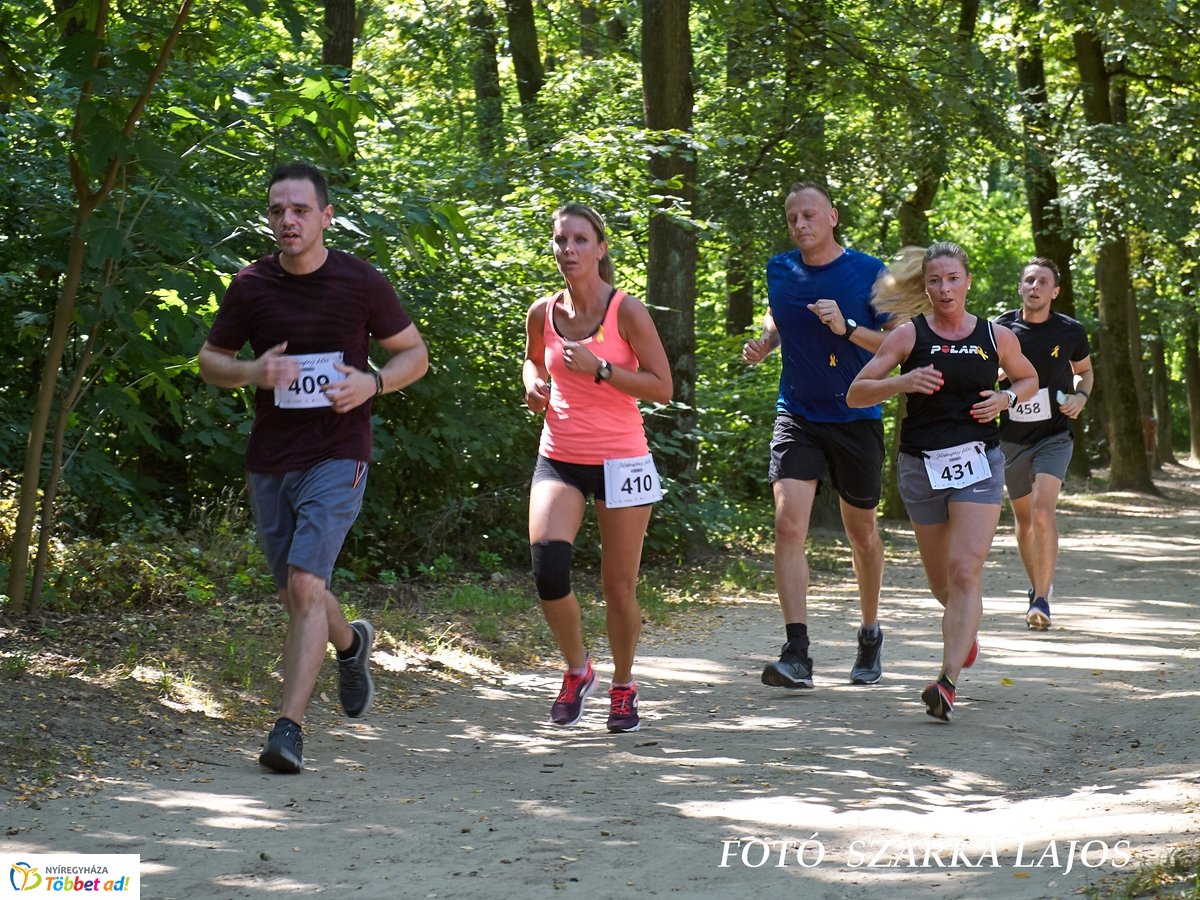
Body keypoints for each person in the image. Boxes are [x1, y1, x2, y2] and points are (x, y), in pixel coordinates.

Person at [198, 162, 429, 772]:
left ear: (325, 216)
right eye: (277, 210)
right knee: (296, 591)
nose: (287, 221)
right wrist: (253, 372)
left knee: (305, 585)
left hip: (339, 448)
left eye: (300, 210)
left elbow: (414, 354)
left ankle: (288, 731)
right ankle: (350, 645)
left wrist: (373, 383)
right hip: (272, 458)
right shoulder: (252, 286)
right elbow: (210, 360)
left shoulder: (360, 282)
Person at [847, 242, 1036, 722]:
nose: (944, 288)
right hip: (921, 467)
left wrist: (1005, 400)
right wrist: (900, 384)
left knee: (965, 569)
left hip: (979, 462)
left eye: (953, 278)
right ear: (924, 286)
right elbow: (855, 393)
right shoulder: (909, 336)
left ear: (968, 282)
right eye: (935, 280)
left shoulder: (996, 337)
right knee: (942, 584)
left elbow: (1028, 380)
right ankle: (964, 630)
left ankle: (946, 680)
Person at [522, 203, 672, 733]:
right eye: (561, 240)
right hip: (559, 457)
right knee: (549, 570)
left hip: (623, 460)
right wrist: (531, 383)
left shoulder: (625, 312)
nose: (569, 250)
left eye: (581, 240)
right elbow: (534, 358)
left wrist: (604, 369)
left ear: (601, 248)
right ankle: (577, 668)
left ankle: (624, 685)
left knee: (618, 586)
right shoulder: (543, 311)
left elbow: (662, 385)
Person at [742, 182, 892, 689]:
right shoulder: (780, 268)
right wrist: (768, 339)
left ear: (832, 216)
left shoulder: (871, 273)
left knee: (861, 532)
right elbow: (779, 311)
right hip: (798, 413)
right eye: (792, 219)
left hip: (856, 411)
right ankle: (797, 652)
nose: (800, 225)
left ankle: (870, 633)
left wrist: (846, 327)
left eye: (809, 215)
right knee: (788, 525)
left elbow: (896, 344)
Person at [996, 258, 1093, 630]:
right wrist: (999, 374)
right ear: (1020, 287)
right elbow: (982, 373)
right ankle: (1036, 586)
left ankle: (1041, 599)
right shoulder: (1000, 328)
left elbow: (1084, 372)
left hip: (1054, 434)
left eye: (1043, 282)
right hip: (1011, 439)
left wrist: (1081, 398)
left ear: (1055, 291)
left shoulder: (1070, 330)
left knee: (1042, 510)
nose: (1034, 286)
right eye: (1029, 280)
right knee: (1023, 520)